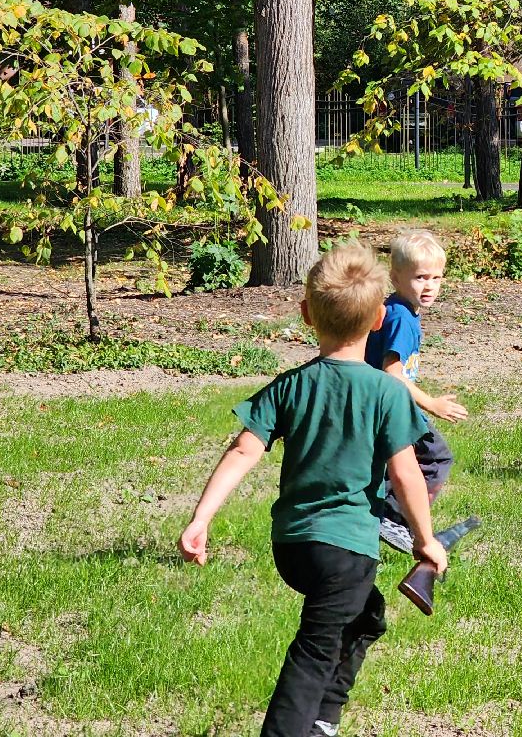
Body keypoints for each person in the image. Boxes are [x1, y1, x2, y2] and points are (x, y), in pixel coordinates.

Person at [179, 242, 447, 737]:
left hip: (293, 547)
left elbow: (242, 450)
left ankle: (323, 721)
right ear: (377, 321)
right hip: (345, 550)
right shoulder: (386, 391)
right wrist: (425, 539)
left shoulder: (290, 385)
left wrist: (202, 517)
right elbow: (408, 473)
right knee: (315, 649)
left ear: (306, 314)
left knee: (366, 617)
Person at [365, 229, 467, 552]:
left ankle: (384, 511)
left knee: (385, 462)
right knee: (436, 457)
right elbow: (392, 375)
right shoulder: (400, 319)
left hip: (382, 405)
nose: (430, 286)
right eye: (421, 277)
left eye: (436, 278)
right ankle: (395, 517)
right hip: (391, 405)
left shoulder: (398, 310)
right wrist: (431, 404)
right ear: (396, 278)